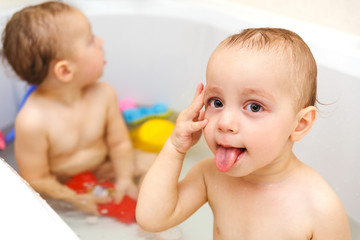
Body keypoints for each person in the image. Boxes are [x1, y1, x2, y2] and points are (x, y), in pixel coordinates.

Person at [136, 28, 351, 239]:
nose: (225, 123)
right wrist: (174, 148)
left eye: (254, 107)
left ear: (299, 124)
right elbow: (152, 219)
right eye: (216, 102)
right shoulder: (210, 175)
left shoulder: (319, 207)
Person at [1, 1, 148, 215]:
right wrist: (73, 198)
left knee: (152, 163)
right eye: (90, 40)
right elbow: (36, 179)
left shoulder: (104, 94)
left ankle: (149, 216)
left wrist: (124, 177)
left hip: (102, 168)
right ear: (65, 71)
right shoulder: (32, 121)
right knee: (41, 209)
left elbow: (119, 144)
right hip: (63, 185)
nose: (100, 41)